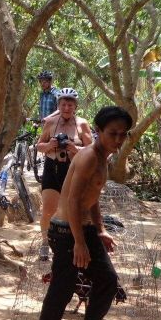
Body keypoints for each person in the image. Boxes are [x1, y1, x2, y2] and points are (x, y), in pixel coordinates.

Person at [34, 106, 133, 320]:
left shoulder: (104, 158)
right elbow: (74, 201)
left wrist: (100, 230)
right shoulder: (89, 157)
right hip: (66, 231)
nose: (118, 139)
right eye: (113, 133)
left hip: (84, 229)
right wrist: (79, 242)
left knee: (107, 280)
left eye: (123, 134)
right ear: (98, 132)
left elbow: (93, 197)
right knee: (63, 286)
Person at [35, 88, 93, 261]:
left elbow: (93, 150)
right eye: (63, 104)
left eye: (70, 104)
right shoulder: (51, 122)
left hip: (74, 170)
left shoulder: (82, 124)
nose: (66, 108)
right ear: (58, 105)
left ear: (75, 106)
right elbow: (39, 146)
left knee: (74, 210)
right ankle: (45, 243)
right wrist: (50, 145)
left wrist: (75, 148)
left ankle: (76, 243)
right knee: (48, 209)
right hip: (52, 168)